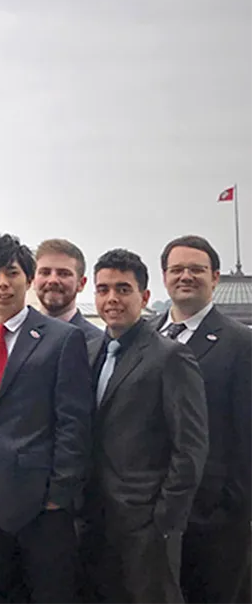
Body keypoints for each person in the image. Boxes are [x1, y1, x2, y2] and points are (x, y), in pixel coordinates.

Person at [0, 235, 91, 604]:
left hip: (40, 507)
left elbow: (73, 424)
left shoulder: (61, 340)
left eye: (12, 273)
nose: (2, 283)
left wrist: (59, 495)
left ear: (28, 280)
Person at [81, 249, 209, 604]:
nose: (112, 299)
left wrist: (165, 520)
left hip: (145, 525)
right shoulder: (90, 351)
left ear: (145, 296)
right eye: (103, 289)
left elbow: (191, 448)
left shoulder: (170, 357)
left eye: (123, 289)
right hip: (93, 519)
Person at [155, 236, 252, 604]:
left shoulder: (241, 344)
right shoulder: (144, 338)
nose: (186, 276)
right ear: (164, 277)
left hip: (214, 521)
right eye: (177, 269)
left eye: (196, 269)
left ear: (215, 278)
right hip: (152, 517)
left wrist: (234, 508)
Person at [32, 239, 102, 342]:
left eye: (63, 274)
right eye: (45, 272)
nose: (53, 280)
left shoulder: (97, 344)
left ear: (81, 284)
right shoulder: (17, 336)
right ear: (33, 279)